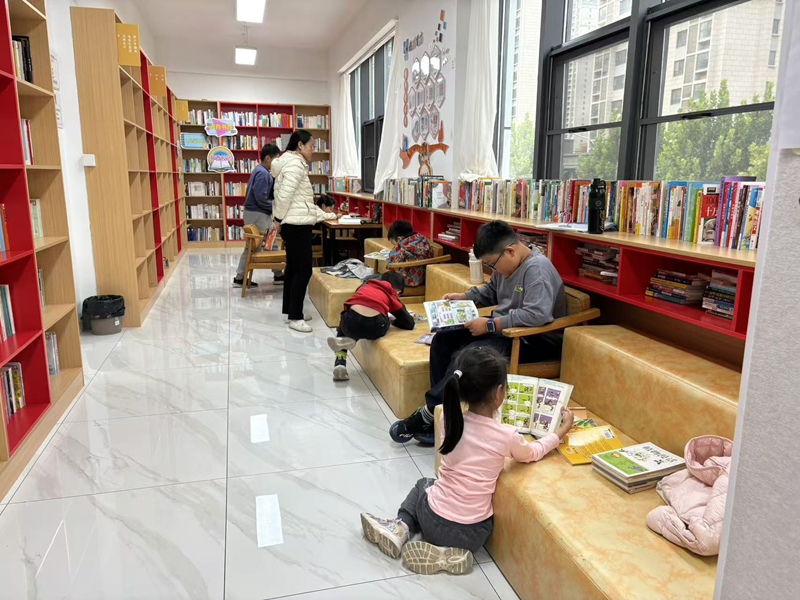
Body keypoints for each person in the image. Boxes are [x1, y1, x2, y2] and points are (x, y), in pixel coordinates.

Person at [361, 346, 574, 574]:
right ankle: (449, 554)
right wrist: (560, 431)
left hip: (431, 520)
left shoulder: (448, 419)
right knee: (461, 507)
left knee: (423, 484)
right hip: (472, 534)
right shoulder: (507, 435)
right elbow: (532, 453)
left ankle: (401, 527)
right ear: (499, 393)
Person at [390, 220, 566, 444]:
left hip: (533, 339)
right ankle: (443, 412)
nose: (493, 270)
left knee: (470, 357)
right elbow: (491, 291)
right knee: (443, 339)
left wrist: (490, 325)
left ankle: (430, 412)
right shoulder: (508, 264)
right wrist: (464, 297)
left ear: (510, 251)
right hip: (504, 329)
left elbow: (537, 315)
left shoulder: (537, 269)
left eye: (492, 264)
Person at [272, 130, 337, 333]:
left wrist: (327, 215)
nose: (313, 151)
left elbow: (303, 204)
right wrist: (278, 219)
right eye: (311, 146)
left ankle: (291, 311)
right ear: (300, 145)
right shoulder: (294, 165)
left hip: (295, 223)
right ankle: (295, 316)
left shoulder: (292, 163)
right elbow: (285, 197)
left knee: (293, 268)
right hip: (296, 226)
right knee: (303, 270)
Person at [327, 271, 414, 381]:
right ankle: (353, 338)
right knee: (384, 319)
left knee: (346, 319)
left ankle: (340, 362)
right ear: (398, 291)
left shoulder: (365, 286)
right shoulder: (391, 294)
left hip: (349, 324)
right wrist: (394, 321)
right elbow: (409, 323)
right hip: (374, 327)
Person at [233, 143, 282, 288]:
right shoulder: (263, 173)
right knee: (268, 243)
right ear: (268, 158)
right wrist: (275, 207)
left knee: (254, 246)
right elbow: (261, 198)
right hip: (258, 214)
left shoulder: (259, 170)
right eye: (277, 159)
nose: (278, 163)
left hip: (255, 213)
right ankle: (278, 274)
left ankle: (240, 277)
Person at [386, 220, 434, 287]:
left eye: (394, 243)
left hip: (409, 280)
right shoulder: (421, 240)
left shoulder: (404, 247)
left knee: (380, 278)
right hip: (423, 278)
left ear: (399, 239)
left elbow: (392, 265)